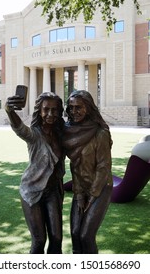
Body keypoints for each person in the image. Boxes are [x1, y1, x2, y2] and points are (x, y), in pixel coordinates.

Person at [5, 92, 65, 254]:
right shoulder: (34, 134)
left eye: (55, 110)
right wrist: (10, 111)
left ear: (60, 112)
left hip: (53, 192)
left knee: (57, 238)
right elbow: (20, 129)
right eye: (46, 110)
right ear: (39, 111)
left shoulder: (61, 134)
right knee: (39, 240)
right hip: (31, 192)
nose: (51, 114)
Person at [63, 90, 113, 254]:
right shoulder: (69, 131)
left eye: (78, 107)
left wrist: (92, 196)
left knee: (85, 236)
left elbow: (103, 167)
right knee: (75, 234)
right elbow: (75, 166)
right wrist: (78, 194)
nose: (73, 111)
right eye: (71, 108)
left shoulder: (100, 133)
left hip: (100, 187)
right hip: (81, 187)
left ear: (89, 108)